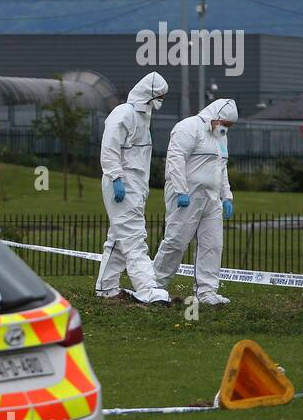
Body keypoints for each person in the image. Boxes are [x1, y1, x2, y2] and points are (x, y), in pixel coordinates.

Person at [152, 98, 238, 305]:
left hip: (211, 198)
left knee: (213, 244)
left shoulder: (220, 137)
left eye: (229, 126)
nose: (226, 129)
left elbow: (221, 167)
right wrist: (181, 190)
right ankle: (154, 285)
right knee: (176, 241)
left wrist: (226, 196)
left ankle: (207, 292)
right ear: (215, 117)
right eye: (225, 124)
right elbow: (176, 158)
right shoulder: (188, 127)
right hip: (187, 197)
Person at [96, 71, 171, 304]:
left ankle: (106, 288)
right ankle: (148, 288)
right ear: (147, 95)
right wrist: (116, 178)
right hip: (122, 184)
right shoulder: (124, 113)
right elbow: (109, 148)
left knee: (118, 239)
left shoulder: (143, 117)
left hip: (135, 187)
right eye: (158, 96)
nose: (160, 101)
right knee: (134, 237)